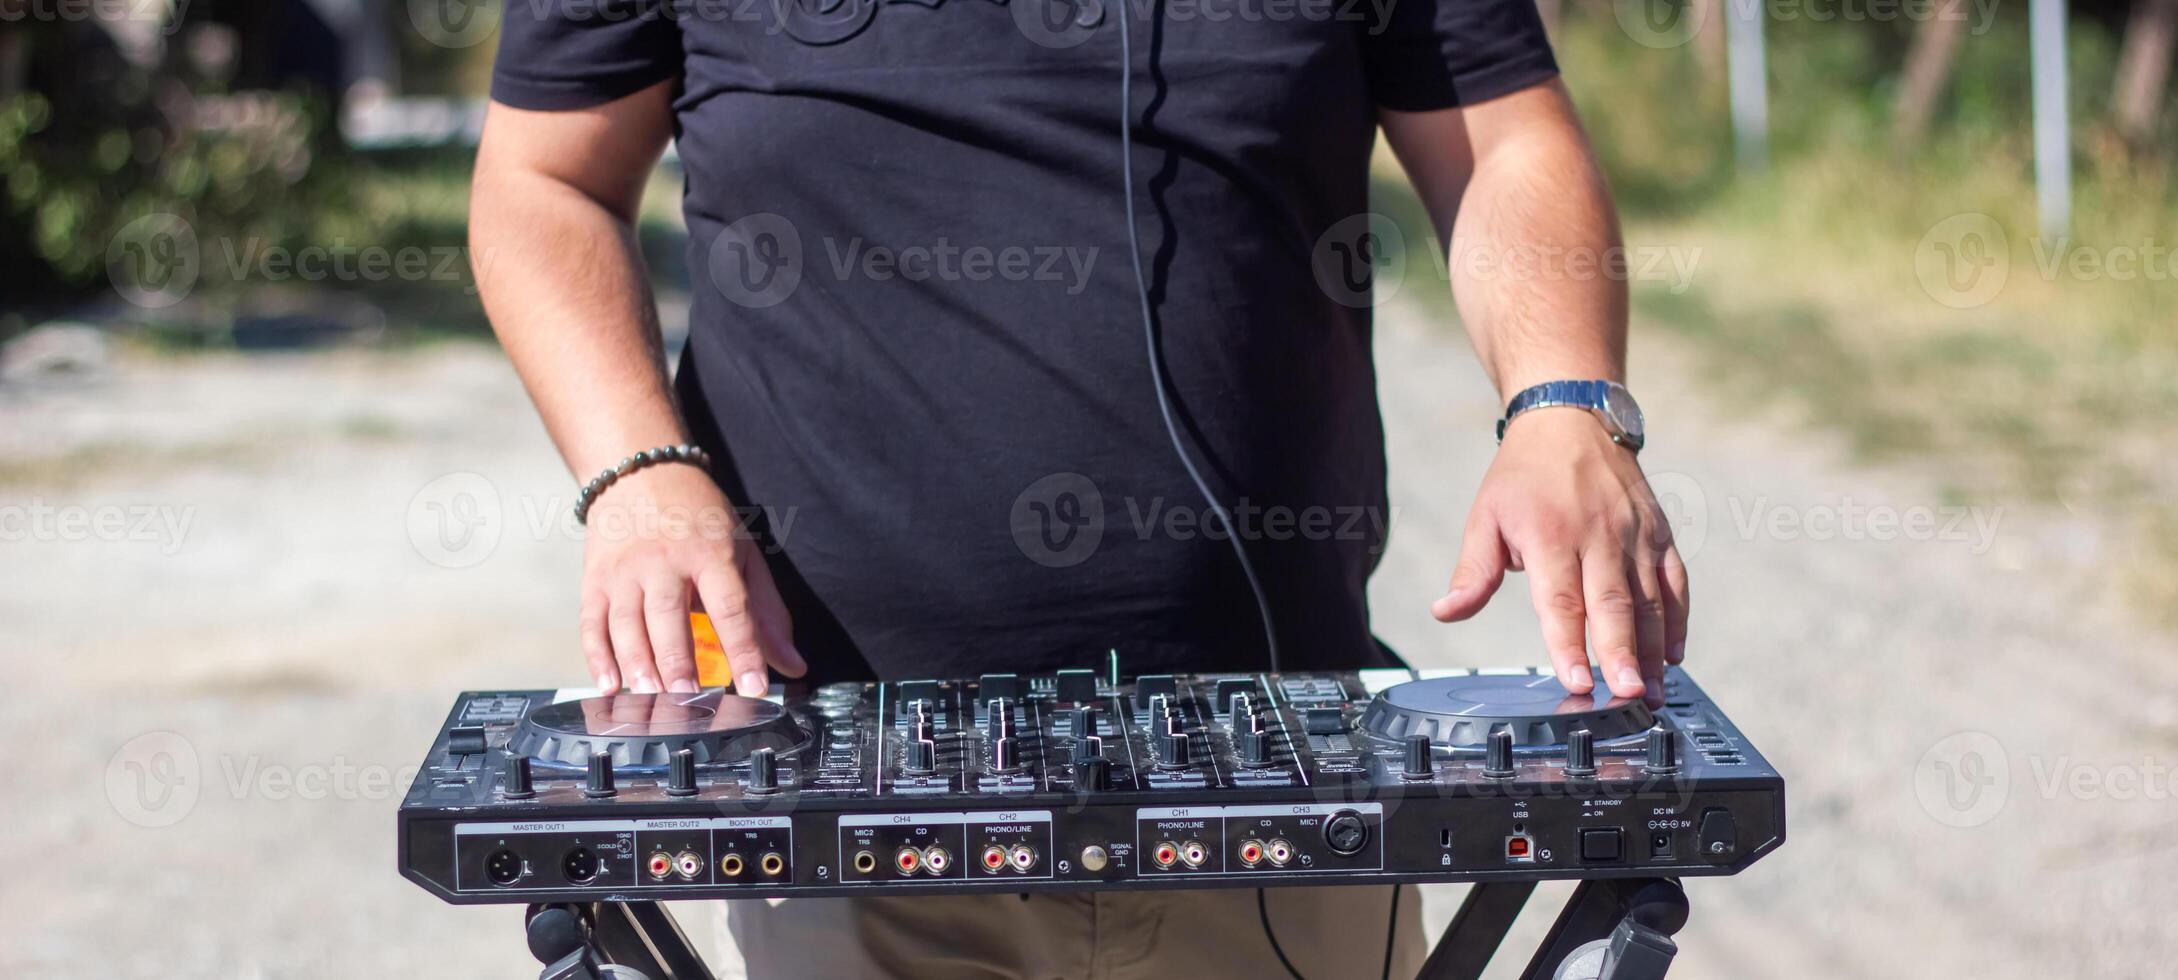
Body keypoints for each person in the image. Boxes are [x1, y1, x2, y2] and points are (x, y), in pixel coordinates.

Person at [468, 0, 1688, 974]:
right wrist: (638, 468)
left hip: (1284, 806)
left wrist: (1565, 401)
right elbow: (542, 178)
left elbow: (1503, 139)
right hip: (848, 798)